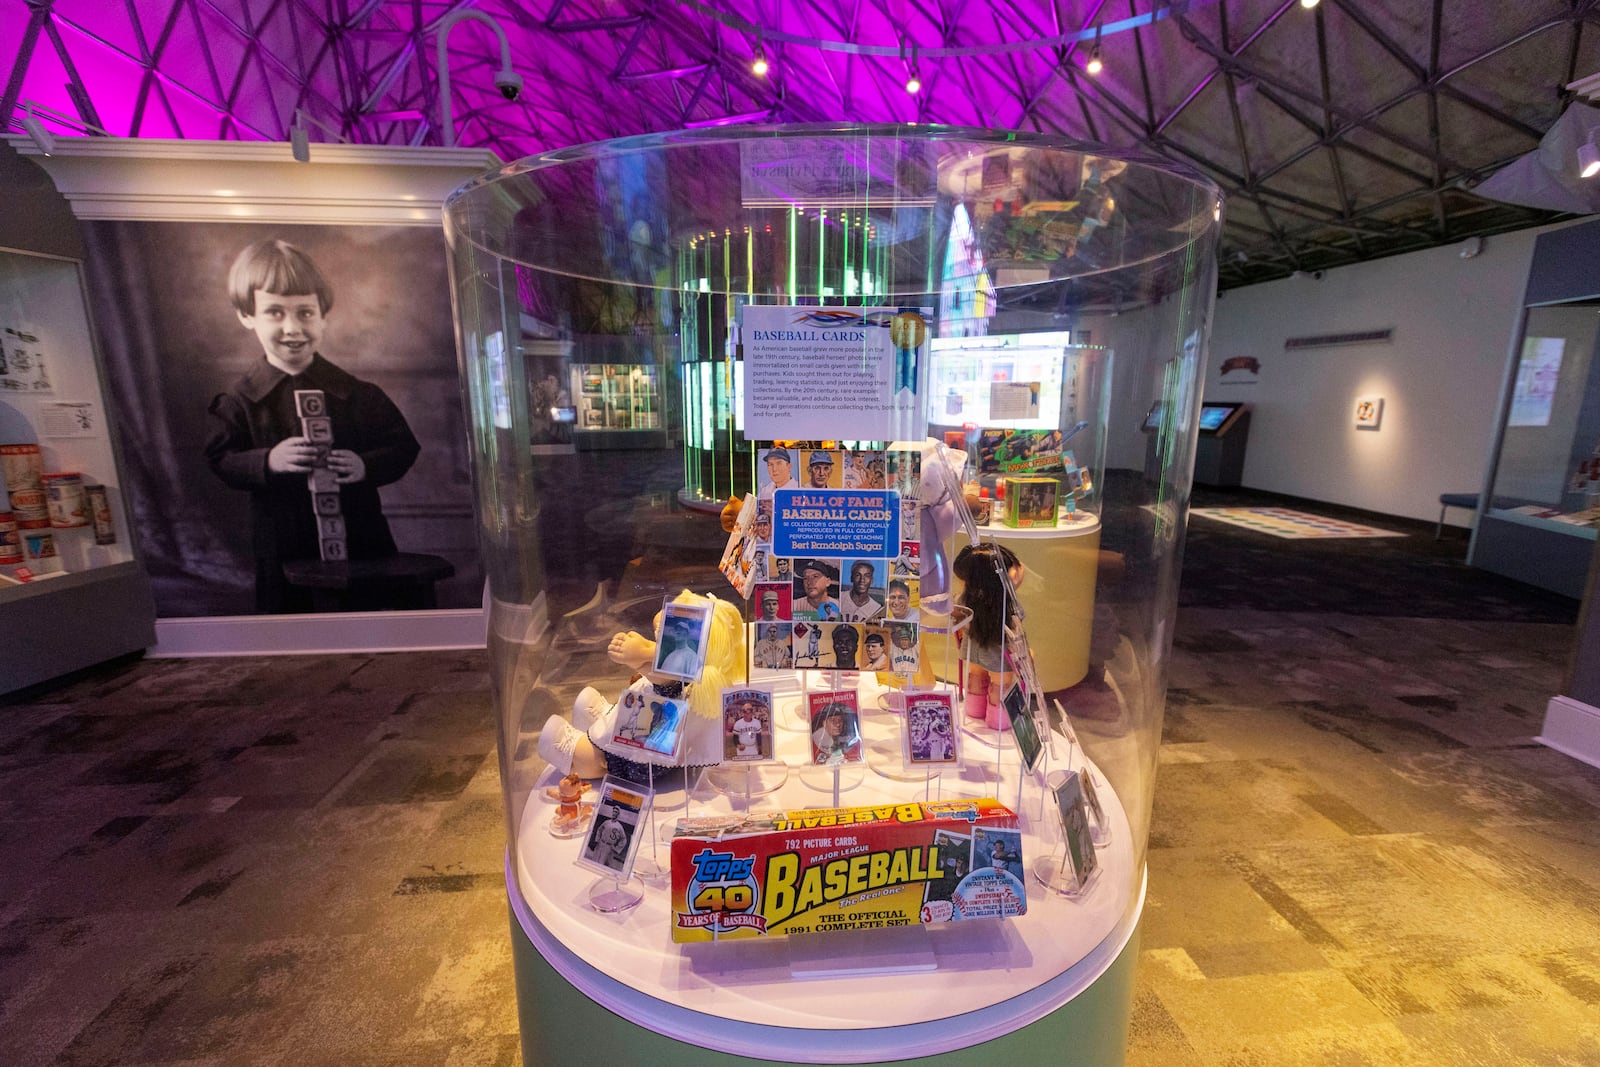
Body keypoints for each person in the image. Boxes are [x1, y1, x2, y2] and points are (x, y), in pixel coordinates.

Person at [205, 239, 421, 612]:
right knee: (291, 620)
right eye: (274, 312)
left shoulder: (358, 394)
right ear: (247, 316)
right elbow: (220, 458)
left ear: (323, 316)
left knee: (368, 617)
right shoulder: (240, 402)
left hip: (360, 537)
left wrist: (364, 465)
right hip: (282, 541)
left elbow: (402, 446)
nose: (293, 328)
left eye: (305, 313)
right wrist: (267, 461)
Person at [954, 542, 1025, 730]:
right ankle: (998, 722)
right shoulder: (1006, 605)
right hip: (998, 657)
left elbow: (962, 621)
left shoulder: (966, 600)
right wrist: (1013, 588)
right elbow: (1017, 623)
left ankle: (974, 711)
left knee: (975, 678)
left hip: (974, 651)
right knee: (1000, 686)